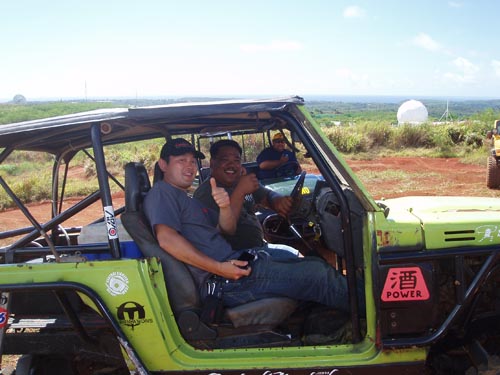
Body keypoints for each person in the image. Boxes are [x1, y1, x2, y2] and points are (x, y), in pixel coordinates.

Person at [143, 138, 363, 312]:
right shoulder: (162, 193)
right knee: (317, 275)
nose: (190, 167)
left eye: (192, 161)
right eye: (181, 161)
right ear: (163, 165)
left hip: (238, 261)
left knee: (310, 262)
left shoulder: (185, 198)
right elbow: (167, 239)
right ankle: (375, 313)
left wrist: (226, 206)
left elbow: (226, 229)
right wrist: (220, 268)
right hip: (222, 281)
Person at [193, 139, 298, 256]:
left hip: (260, 247)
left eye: (236, 160)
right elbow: (224, 232)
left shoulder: (239, 181)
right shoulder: (205, 194)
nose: (232, 165)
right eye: (225, 160)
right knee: (314, 269)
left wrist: (278, 201)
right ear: (212, 163)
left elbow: (266, 194)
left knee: (298, 254)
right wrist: (240, 191)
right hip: (238, 258)